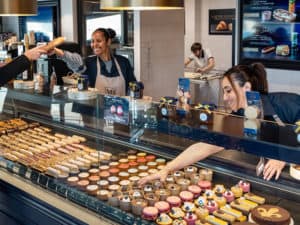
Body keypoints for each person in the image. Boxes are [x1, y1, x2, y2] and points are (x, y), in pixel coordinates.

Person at [138, 63, 297, 186]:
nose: (225, 98)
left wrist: (283, 155)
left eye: (228, 91)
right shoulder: (238, 117)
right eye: (224, 92)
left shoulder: (286, 104)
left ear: (246, 88)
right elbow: (208, 145)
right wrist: (168, 168)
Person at [50, 28, 137, 96]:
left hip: (119, 113)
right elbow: (76, 63)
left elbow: (133, 86)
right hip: (95, 114)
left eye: (98, 41)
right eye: (92, 41)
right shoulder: (89, 62)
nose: (94, 44)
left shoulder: (123, 62)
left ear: (108, 42)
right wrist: (59, 52)